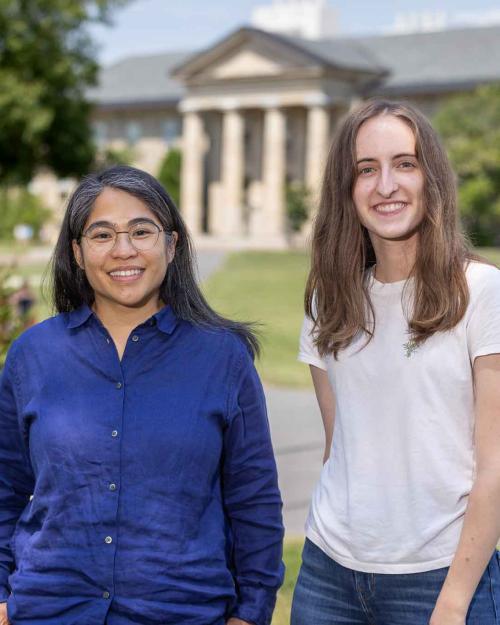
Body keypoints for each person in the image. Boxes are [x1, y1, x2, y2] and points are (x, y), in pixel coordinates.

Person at [0, 165, 284, 625]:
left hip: (181, 611)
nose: (123, 250)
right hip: (51, 610)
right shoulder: (33, 354)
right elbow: (5, 487)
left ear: (172, 245)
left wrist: (251, 613)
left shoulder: (222, 358)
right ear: (76, 252)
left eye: (141, 231)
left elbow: (254, 501)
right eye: (102, 235)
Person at [291, 99, 500, 625]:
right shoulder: (328, 301)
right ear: (347, 189)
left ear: (431, 177)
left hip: (441, 576)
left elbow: (495, 467)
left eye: (404, 164)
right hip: (327, 573)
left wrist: (453, 603)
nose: (386, 185)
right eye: (366, 169)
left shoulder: (481, 292)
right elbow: (339, 445)